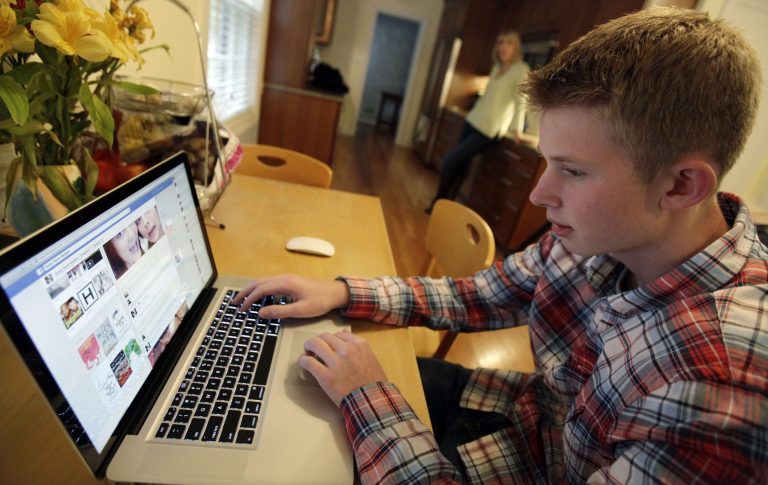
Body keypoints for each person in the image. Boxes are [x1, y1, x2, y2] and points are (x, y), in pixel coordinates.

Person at [234, 7, 767, 483]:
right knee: (282, 395)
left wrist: (368, 397)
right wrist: (341, 291)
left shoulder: (717, 396)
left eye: (573, 171)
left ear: (681, 185)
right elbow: (478, 296)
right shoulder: (599, 236)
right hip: (515, 416)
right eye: (547, 161)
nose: (540, 194)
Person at [426, 29, 529, 213]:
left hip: (488, 130)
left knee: (450, 161)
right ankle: (446, 206)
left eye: (509, 43)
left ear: (516, 48)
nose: (504, 47)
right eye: (501, 43)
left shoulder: (520, 70)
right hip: (473, 120)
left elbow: (521, 101)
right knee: (460, 165)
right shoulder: (497, 67)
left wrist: (517, 130)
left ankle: (438, 203)